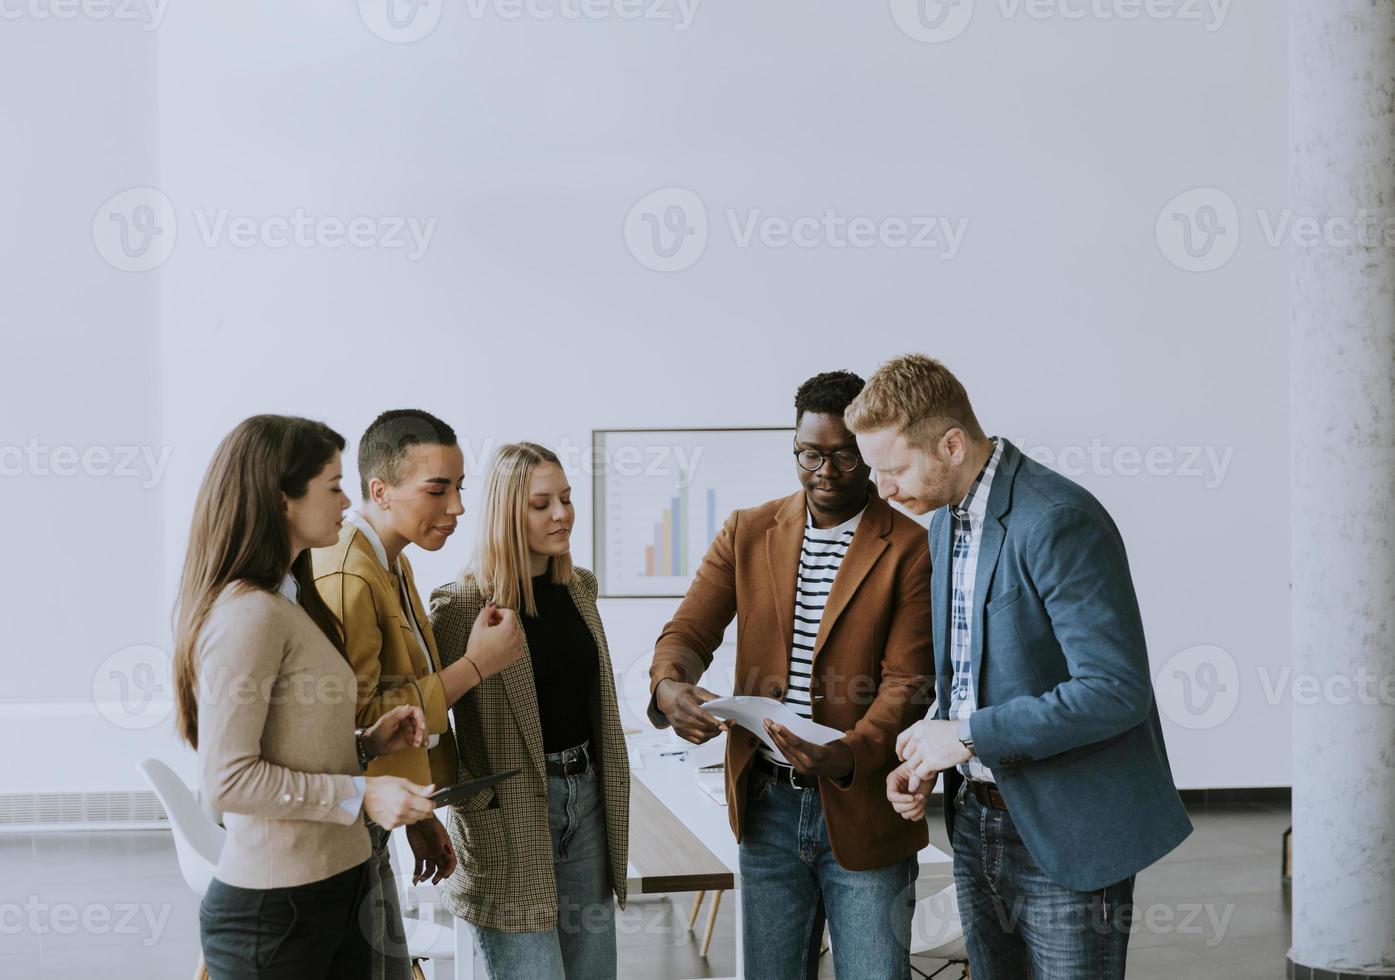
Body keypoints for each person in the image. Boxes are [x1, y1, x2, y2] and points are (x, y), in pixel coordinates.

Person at [844, 355, 1193, 979]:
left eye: (893, 469)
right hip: (976, 820)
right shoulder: (947, 522)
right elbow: (973, 670)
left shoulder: (1058, 518)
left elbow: (1114, 691)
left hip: (1067, 831)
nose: (885, 490)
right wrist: (932, 747)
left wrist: (968, 736)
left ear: (951, 443)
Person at [648, 371, 934, 980]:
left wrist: (846, 754)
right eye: (810, 454)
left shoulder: (910, 546)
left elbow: (908, 684)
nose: (824, 472)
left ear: (870, 452)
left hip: (863, 803)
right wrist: (670, 685)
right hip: (767, 807)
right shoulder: (749, 532)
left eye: (844, 456)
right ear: (795, 445)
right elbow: (687, 632)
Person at [173, 414, 439, 980]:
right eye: (334, 485)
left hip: (330, 889)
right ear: (282, 499)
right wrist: (359, 794)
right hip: (277, 913)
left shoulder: (291, 599)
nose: (348, 500)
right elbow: (229, 780)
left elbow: (287, 742)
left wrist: (365, 742)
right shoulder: (248, 616)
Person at [313, 410, 524, 979]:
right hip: (345, 830)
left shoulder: (392, 560)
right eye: (437, 490)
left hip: (378, 816)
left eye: (459, 489)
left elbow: (391, 700)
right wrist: (477, 665)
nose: (456, 508)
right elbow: (355, 726)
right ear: (380, 491)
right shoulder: (348, 576)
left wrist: (415, 817)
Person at [430, 443, 630, 980]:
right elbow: (428, 719)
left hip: (584, 800)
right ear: (506, 513)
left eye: (565, 499)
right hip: (508, 817)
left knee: (594, 970)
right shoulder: (460, 607)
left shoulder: (580, 588)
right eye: (542, 504)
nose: (562, 514)